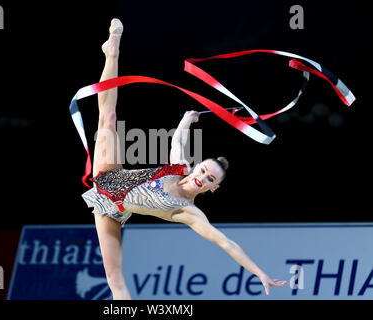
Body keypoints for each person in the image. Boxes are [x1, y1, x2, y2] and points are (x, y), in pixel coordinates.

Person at [81, 18, 287, 300]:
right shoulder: (179, 168)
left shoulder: (189, 212)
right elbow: (177, 141)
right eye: (204, 169)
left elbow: (226, 244)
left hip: (111, 210)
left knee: (116, 280)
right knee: (108, 117)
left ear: (212, 188)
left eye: (210, 179)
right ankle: (112, 52)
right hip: (110, 175)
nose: (202, 176)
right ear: (198, 166)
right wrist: (189, 119)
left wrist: (260, 273)